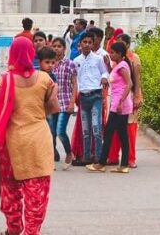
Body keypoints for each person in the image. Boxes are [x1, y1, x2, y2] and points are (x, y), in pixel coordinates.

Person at [0, 37, 59, 235]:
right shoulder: (45, 79)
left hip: (13, 142)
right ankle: (31, 231)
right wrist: (37, 113)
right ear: (32, 54)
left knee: (11, 189)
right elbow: (55, 107)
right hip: (38, 139)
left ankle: (13, 228)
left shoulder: (4, 81)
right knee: (37, 191)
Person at [87, 40, 133, 174]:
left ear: (119, 54)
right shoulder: (119, 65)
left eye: (112, 53)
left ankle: (101, 163)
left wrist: (121, 102)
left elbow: (129, 84)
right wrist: (107, 65)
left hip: (120, 105)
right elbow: (115, 77)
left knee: (108, 134)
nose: (110, 54)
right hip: (119, 103)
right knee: (122, 135)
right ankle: (123, 165)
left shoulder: (123, 66)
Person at [72, 33, 108, 166]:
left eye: (89, 42)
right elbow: (75, 80)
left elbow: (105, 72)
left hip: (96, 96)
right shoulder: (76, 61)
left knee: (96, 127)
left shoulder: (98, 59)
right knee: (86, 129)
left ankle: (98, 156)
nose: (87, 45)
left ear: (93, 44)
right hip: (83, 97)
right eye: (84, 42)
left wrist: (104, 77)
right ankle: (86, 156)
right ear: (80, 44)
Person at [106, 31, 141, 168]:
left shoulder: (134, 58)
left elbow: (136, 79)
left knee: (129, 127)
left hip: (130, 96)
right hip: (116, 96)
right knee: (115, 128)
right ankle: (113, 156)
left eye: (121, 43)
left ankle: (130, 159)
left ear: (127, 45)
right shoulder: (117, 59)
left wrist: (137, 95)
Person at [50, 37, 77, 169]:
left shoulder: (70, 64)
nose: (56, 48)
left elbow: (74, 84)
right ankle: (50, 158)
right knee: (52, 132)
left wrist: (72, 102)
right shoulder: (49, 64)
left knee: (60, 131)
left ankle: (68, 152)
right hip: (52, 103)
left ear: (64, 48)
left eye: (59, 46)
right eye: (54, 46)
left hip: (65, 102)